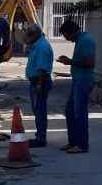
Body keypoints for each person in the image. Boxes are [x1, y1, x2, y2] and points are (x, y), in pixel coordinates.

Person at [56, 21, 95, 154]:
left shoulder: (85, 41)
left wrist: (69, 61)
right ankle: (73, 142)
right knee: (70, 111)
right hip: (78, 80)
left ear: (71, 32)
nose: (65, 38)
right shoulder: (80, 40)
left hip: (83, 81)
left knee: (80, 113)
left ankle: (82, 145)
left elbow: (89, 62)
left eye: (65, 35)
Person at [24, 24, 54, 148]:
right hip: (35, 81)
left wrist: (39, 85)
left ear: (35, 34)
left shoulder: (42, 47)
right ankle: (39, 136)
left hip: (39, 81)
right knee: (38, 111)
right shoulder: (37, 45)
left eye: (29, 35)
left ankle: (41, 138)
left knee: (40, 111)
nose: (27, 38)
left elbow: (42, 69)